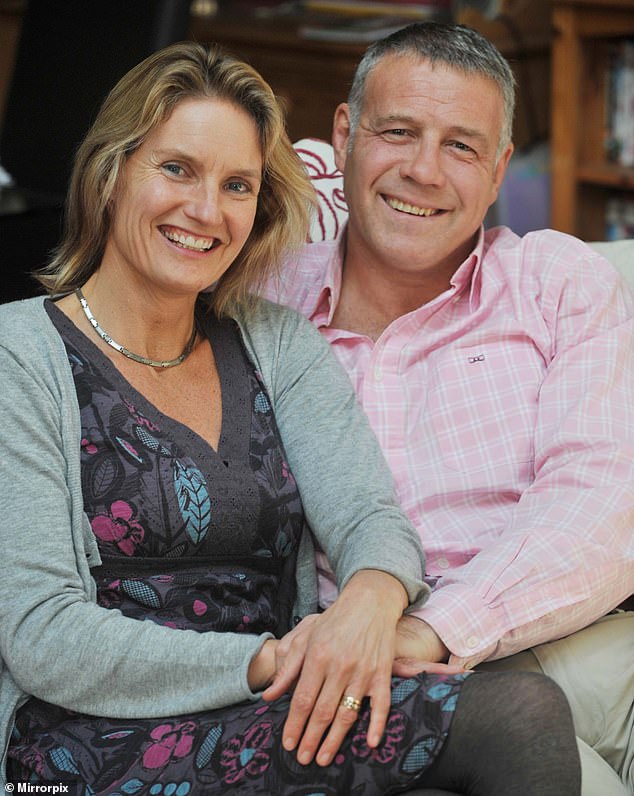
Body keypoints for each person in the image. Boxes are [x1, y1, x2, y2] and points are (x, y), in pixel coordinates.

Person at [0, 42, 581, 795]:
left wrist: (371, 600)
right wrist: (277, 662)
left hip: (273, 712)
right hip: (88, 736)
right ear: (111, 174)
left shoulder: (276, 342)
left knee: (484, 743)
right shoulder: (20, 354)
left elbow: (370, 515)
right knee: (516, 719)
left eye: (236, 185)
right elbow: (43, 635)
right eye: (177, 169)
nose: (206, 211)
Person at [263, 21, 634, 796]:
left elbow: (603, 501)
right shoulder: (267, 299)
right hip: (342, 669)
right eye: (397, 132)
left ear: (499, 170)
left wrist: (427, 629)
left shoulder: (554, 285)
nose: (424, 171)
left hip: (571, 645)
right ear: (344, 136)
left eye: (461, 146)